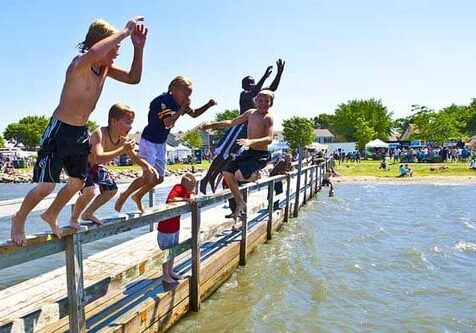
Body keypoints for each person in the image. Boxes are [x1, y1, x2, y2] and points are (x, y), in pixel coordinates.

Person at [10, 17, 147, 247]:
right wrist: (124, 32)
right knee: (46, 186)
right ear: (99, 43)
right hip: (60, 130)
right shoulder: (79, 64)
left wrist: (138, 47)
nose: (116, 52)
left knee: (77, 183)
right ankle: (19, 218)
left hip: (79, 133)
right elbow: (93, 53)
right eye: (114, 47)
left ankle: (51, 214)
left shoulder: (104, 69)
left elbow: (134, 78)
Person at [115, 76, 216, 213]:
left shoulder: (180, 103)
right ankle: (124, 195)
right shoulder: (162, 102)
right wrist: (181, 110)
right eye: (185, 94)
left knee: (159, 179)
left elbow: (194, 114)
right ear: (173, 89)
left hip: (161, 142)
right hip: (149, 140)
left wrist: (208, 105)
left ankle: (138, 195)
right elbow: (167, 122)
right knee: (148, 176)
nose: (187, 98)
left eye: (189, 95)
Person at [199, 59, 285, 195]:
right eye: (250, 83)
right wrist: (264, 76)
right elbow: (256, 91)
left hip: (246, 132)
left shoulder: (258, 97)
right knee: (223, 153)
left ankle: (214, 177)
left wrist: (279, 73)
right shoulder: (245, 95)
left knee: (230, 156)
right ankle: (206, 178)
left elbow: (271, 89)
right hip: (238, 127)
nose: (253, 85)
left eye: (253, 83)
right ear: (244, 85)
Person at [69, 103, 158, 228]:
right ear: (114, 121)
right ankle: (74, 218)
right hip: (80, 163)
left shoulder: (124, 139)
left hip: (96, 165)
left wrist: (147, 166)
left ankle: (88, 213)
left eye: (131, 123)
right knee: (90, 191)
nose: (131, 127)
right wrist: (122, 149)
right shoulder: (99, 133)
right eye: (127, 122)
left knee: (111, 190)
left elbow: (133, 157)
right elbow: (98, 156)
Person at [202, 89, 275, 218]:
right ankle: (240, 202)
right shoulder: (250, 113)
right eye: (261, 100)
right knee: (226, 172)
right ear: (255, 101)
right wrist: (212, 125)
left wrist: (251, 141)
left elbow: (269, 139)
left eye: (266, 101)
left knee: (240, 176)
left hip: (260, 154)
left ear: (271, 103)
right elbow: (231, 122)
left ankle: (260, 174)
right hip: (248, 151)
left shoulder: (268, 118)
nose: (263, 104)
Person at [157, 173, 196, 284]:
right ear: (185, 184)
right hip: (166, 228)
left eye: (193, 186)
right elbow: (171, 199)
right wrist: (186, 199)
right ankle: (165, 275)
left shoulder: (187, 191)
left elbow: (192, 194)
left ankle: (170, 271)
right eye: (191, 186)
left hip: (175, 227)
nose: (192, 189)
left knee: (173, 250)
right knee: (167, 251)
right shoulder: (178, 188)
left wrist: (191, 195)